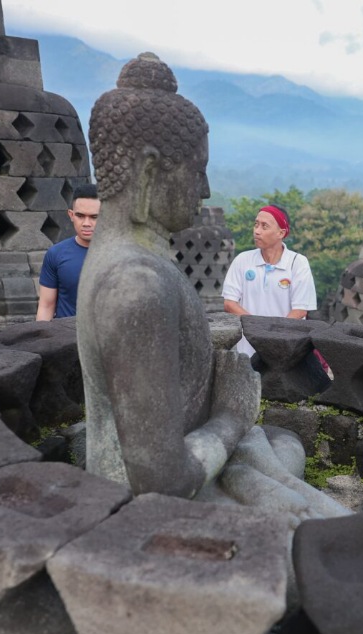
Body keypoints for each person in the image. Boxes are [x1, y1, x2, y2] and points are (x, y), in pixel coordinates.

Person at [75, 52, 258, 497]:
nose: (206, 189)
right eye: (198, 171)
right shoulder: (136, 285)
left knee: (283, 447)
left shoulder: (127, 259)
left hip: (143, 472)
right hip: (140, 508)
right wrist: (232, 416)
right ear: (152, 170)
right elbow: (162, 479)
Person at [222, 205, 318, 356]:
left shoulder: (297, 263)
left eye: (264, 226)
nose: (257, 231)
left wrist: (273, 337)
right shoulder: (243, 260)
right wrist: (258, 329)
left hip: (285, 348)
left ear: (281, 233)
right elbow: (229, 303)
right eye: (256, 224)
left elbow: (299, 310)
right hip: (247, 349)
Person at [36, 183, 101, 320]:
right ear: (71, 215)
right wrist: (42, 339)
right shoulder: (56, 254)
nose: (86, 223)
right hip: (66, 337)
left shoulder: (122, 255)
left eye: (94, 217)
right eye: (80, 216)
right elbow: (46, 306)